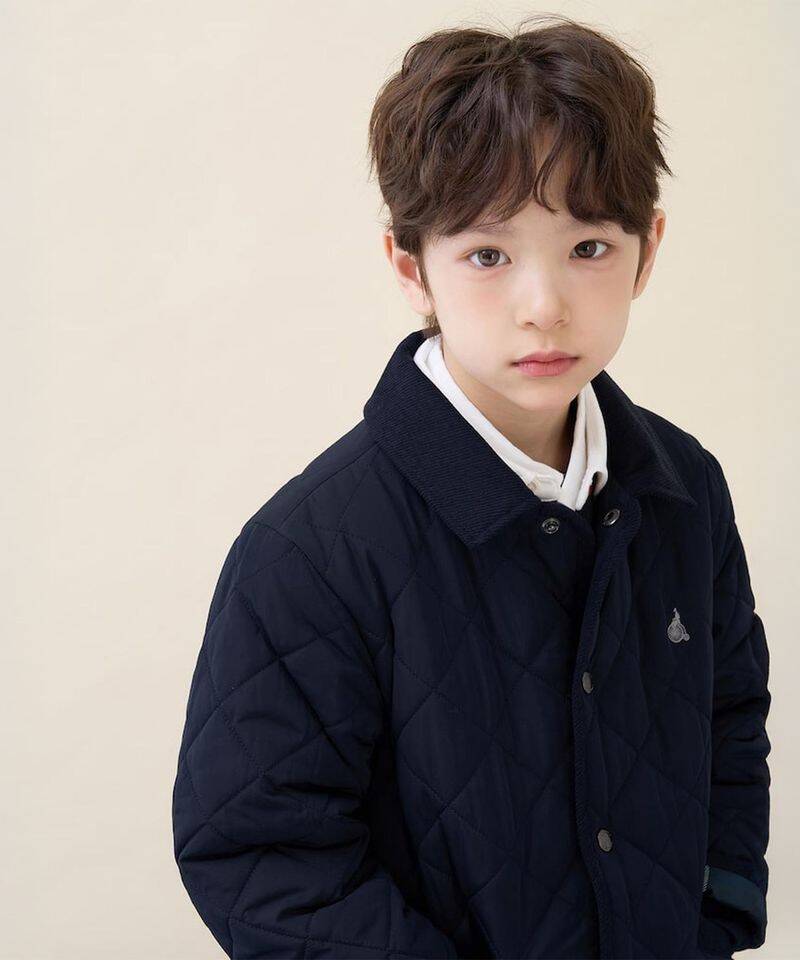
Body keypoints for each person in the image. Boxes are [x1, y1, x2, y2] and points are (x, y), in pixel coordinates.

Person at [171, 14, 771, 959]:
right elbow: (261, 855)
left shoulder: (685, 486)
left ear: (647, 250)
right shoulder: (311, 549)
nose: (544, 306)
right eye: (488, 255)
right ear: (412, 269)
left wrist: (716, 917)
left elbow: (729, 719)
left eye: (588, 248)